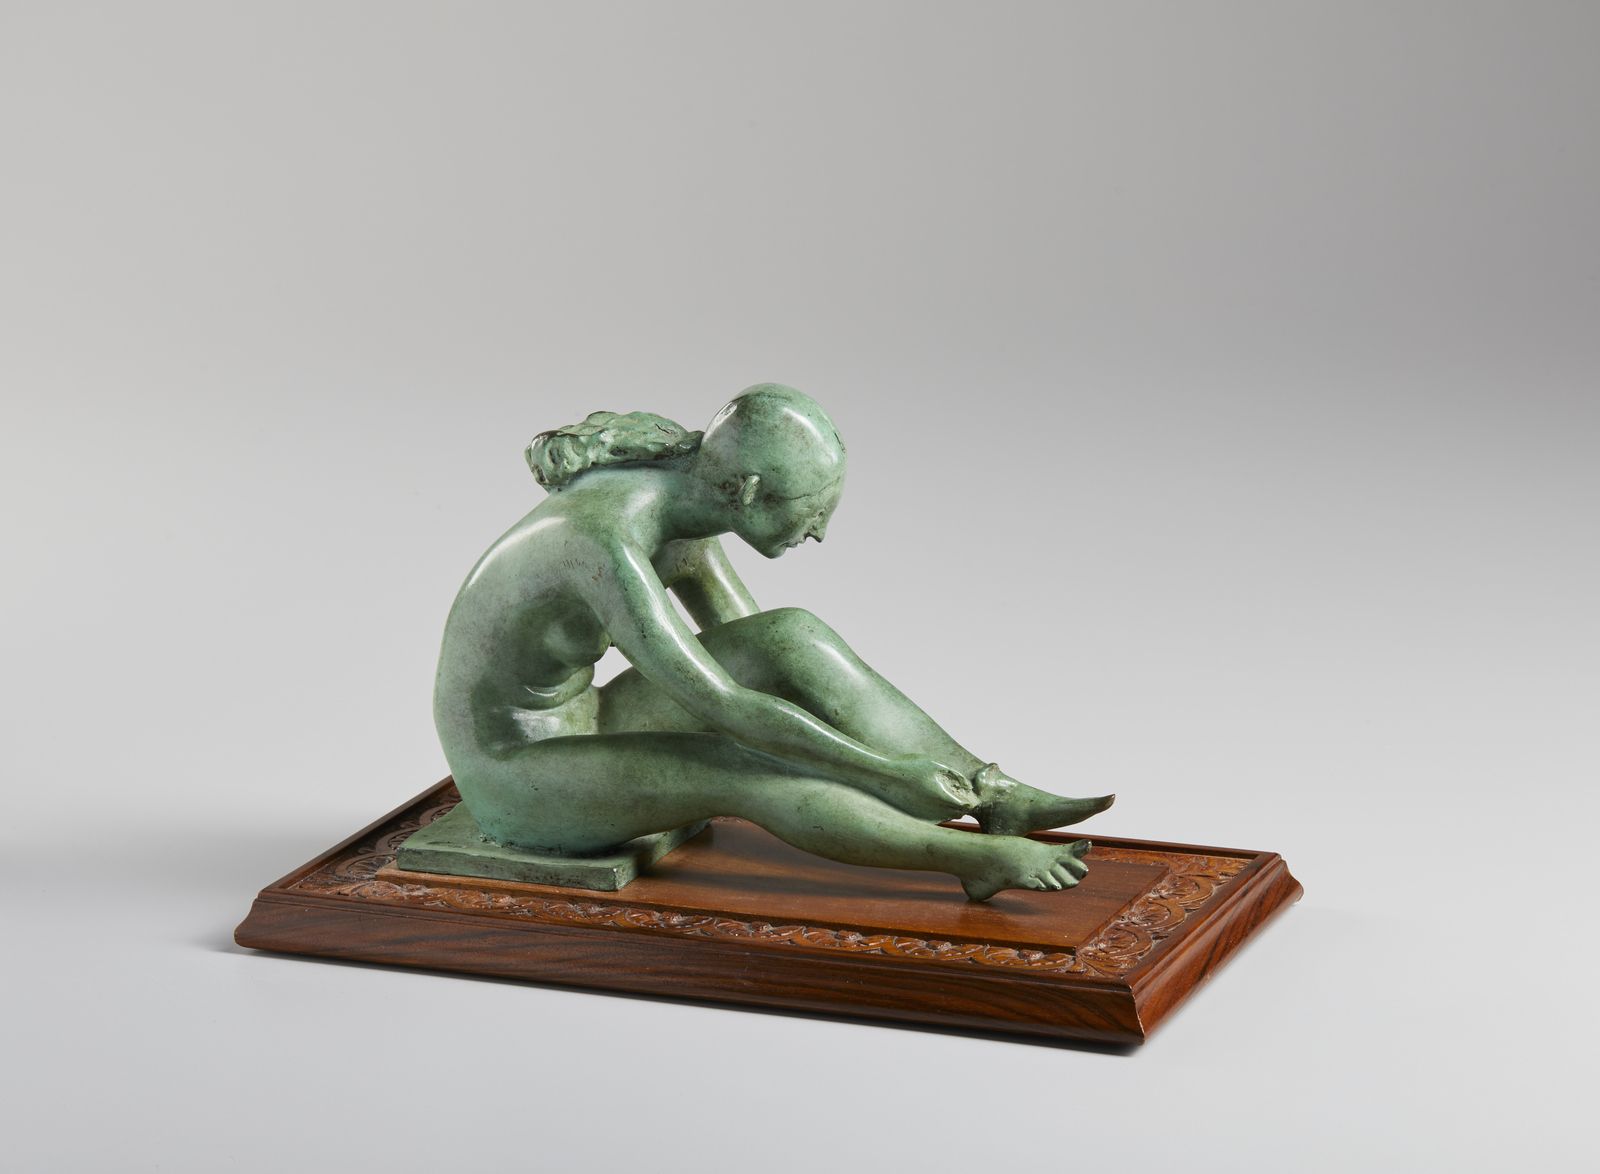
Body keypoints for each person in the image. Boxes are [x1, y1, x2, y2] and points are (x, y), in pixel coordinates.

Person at [433, 384, 1112, 900]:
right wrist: (881, 771)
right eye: (813, 512)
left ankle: (990, 795)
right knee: (744, 764)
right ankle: (973, 861)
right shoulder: (602, 543)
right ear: (752, 492)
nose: (819, 533)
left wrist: (885, 764)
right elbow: (727, 706)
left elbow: (762, 654)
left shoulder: (685, 499)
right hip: (515, 769)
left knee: (793, 635)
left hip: (588, 720)